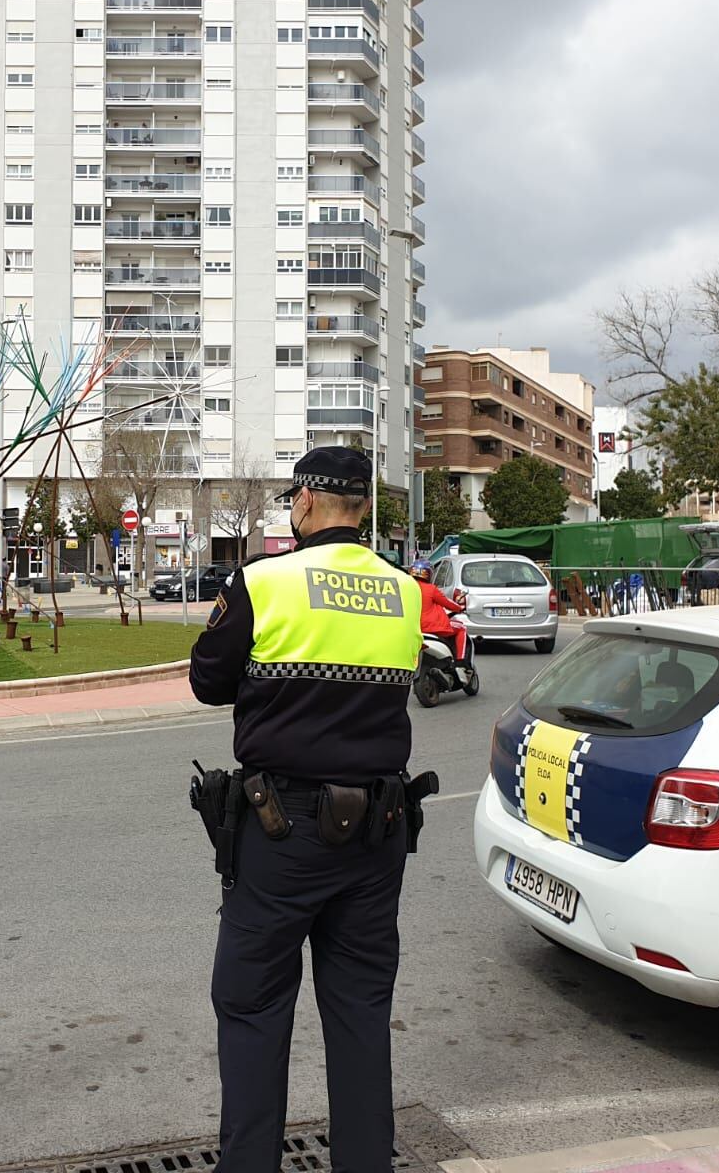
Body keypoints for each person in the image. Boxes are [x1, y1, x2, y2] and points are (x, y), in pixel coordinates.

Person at [189, 446, 424, 1173]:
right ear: (359, 507)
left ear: (306, 503)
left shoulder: (264, 581)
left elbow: (208, 680)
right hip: (377, 834)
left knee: (253, 1007)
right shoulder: (404, 589)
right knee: (359, 1014)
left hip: (279, 831)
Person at [410, 559, 467, 657]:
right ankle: (460, 661)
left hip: (411, 627)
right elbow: (448, 604)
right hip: (431, 628)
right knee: (461, 628)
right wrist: (460, 607)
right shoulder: (431, 589)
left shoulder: (405, 588)